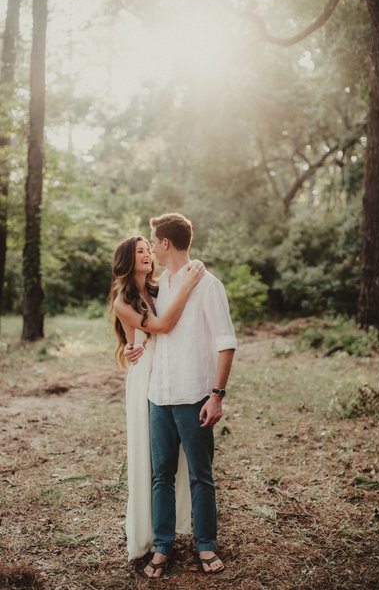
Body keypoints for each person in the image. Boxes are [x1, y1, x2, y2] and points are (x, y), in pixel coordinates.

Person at [124, 213, 236, 578]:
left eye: (153, 242)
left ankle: (205, 546)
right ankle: (162, 547)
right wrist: (129, 347)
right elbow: (140, 321)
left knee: (201, 475)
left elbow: (226, 343)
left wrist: (216, 395)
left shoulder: (208, 285)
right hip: (159, 395)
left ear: (166, 243)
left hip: (194, 395)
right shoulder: (160, 288)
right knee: (161, 475)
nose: (152, 248)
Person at [109, 235, 205, 561]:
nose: (148, 254)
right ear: (127, 259)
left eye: (148, 249)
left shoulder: (160, 287)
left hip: (171, 371)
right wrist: (188, 285)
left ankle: (174, 525)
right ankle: (145, 535)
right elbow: (162, 325)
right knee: (147, 456)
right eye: (140, 251)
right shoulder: (122, 301)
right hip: (144, 377)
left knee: (171, 458)